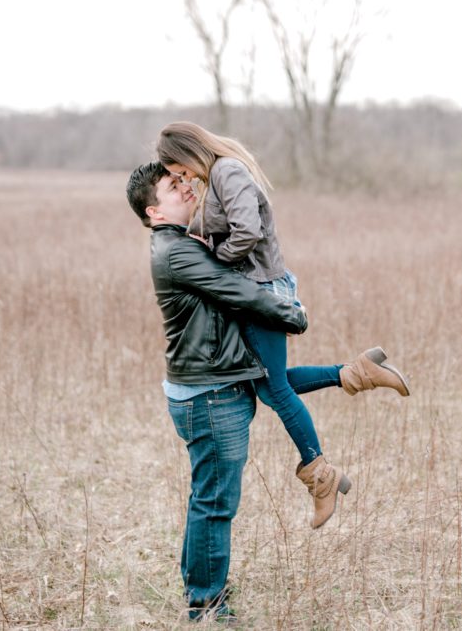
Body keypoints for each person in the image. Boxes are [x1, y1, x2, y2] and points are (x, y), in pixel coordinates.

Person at [155, 121, 410, 527]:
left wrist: (213, 263)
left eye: (180, 170)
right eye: (177, 177)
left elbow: (247, 233)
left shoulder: (227, 171)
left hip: (261, 290)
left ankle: (321, 475)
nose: (184, 178)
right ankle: (358, 373)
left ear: (188, 152)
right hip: (253, 289)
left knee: (274, 389)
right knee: (267, 384)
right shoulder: (215, 176)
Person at [127, 162, 307, 622]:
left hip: (209, 386)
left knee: (207, 497)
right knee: (215, 503)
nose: (186, 188)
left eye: (183, 179)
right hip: (209, 393)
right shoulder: (177, 253)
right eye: (173, 187)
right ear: (154, 212)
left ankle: (200, 588)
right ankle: (206, 605)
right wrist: (292, 314)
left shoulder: (182, 243)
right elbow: (238, 290)